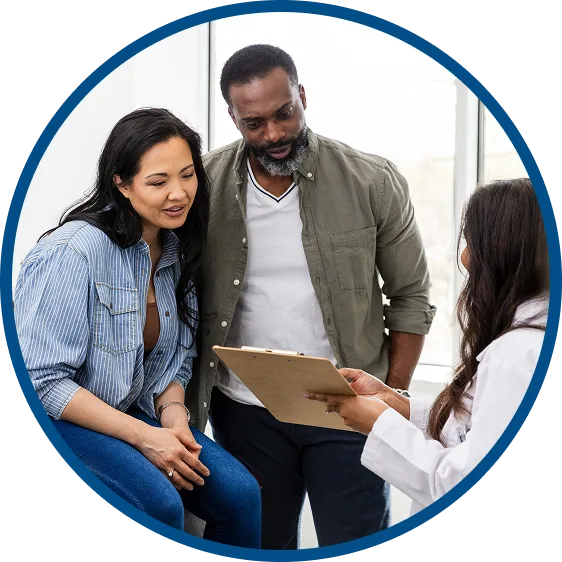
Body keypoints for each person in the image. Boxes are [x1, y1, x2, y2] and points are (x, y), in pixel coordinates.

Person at [184, 44, 436, 549]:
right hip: (244, 408)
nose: (273, 134)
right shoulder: (202, 186)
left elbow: (410, 296)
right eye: (254, 123)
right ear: (234, 119)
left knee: (355, 537)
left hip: (346, 404)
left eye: (284, 113)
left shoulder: (371, 180)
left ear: (302, 96)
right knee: (264, 542)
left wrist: (391, 396)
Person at [13, 107, 262, 548]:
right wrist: (146, 436)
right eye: (158, 181)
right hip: (60, 420)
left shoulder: (174, 248)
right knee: (160, 505)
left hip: (130, 412)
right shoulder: (72, 252)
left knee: (241, 495)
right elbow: (40, 380)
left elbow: (177, 358)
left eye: (188, 175)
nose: (179, 193)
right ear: (121, 184)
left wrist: (173, 417)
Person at [305, 177, 550, 515]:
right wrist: (395, 404)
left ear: (503, 251)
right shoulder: (528, 337)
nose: (464, 257)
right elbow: (472, 429)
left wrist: (378, 424)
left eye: (472, 243)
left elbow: (460, 481)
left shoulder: (516, 357)